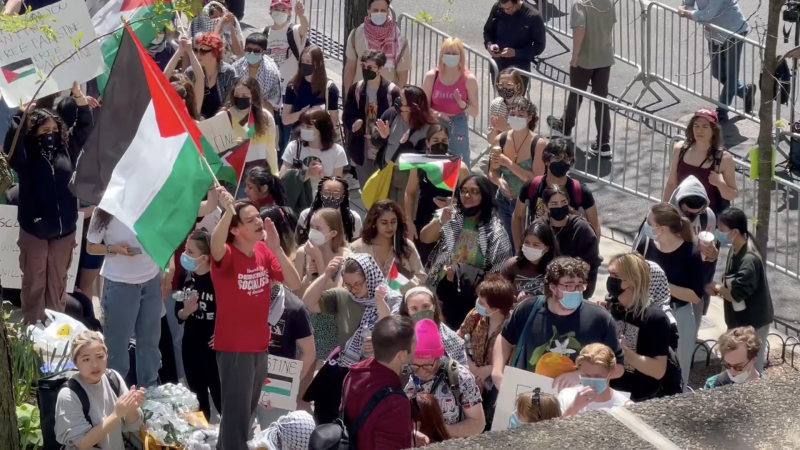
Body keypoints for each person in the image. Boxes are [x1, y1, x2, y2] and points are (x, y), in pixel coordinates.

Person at [209, 189, 301, 450]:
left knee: (243, 416)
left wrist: (277, 249)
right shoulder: (226, 254)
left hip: (260, 347)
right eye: (250, 220)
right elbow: (215, 245)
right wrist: (227, 211)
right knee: (237, 418)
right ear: (235, 229)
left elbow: (295, 283)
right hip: (235, 349)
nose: (259, 221)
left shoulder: (262, 248)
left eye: (258, 216)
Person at [4, 83, 92, 324]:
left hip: (64, 232)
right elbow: (10, 149)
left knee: (57, 283)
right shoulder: (26, 157)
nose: (50, 134)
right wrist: (21, 116)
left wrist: (80, 99)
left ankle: (56, 330)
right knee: (34, 281)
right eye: (44, 130)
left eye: (54, 129)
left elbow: (85, 127)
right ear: (34, 133)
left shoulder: (67, 150)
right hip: (35, 231)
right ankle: (33, 328)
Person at [491, 257, 623, 391]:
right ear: (552, 287)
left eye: (580, 285)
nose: (576, 291)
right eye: (569, 286)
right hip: (526, 393)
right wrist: (497, 372)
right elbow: (505, 339)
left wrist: (580, 376)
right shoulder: (529, 308)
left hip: (574, 400)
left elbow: (618, 368)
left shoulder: (600, 318)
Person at [302, 253, 400, 424]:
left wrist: (378, 342)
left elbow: (395, 332)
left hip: (377, 374)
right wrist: (326, 274)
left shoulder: (391, 297)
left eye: (358, 284)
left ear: (369, 276)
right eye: (348, 285)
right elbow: (308, 303)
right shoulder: (343, 296)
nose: (354, 290)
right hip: (346, 372)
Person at [85, 209, 162, 387]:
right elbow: (91, 247)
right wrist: (114, 249)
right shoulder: (105, 210)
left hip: (150, 281)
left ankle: (149, 390)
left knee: (149, 342)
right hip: (119, 285)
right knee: (117, 348)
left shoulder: (150, 201)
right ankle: (115, 392)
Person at [634, 202, 704, 388]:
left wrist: (661, 282)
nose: (646, 225)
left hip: (678, 316)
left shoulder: (691, 254)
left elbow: (695, 296)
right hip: (647, 313)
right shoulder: (645, 245)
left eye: (649, 222)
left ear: (662, 228)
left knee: (680, 369)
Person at [546, 0, 616, 158]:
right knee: (602, 101)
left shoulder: (580, 5)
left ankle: (566, 127)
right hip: (604, 57)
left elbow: (580, 31)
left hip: (585, 58)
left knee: (575, 95)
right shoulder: (608, 4)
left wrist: (575, 56)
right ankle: (604, 143)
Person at [706, 207, 774, 372]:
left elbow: (735, 295)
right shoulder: (736, 248)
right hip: (740, 321)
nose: (718, 233)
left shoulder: (748, 261)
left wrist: (716, 287)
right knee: (734, 367)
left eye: (721, 230)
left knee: (750, 368)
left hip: (753, 323)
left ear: (734, 232)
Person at [55, 331, 145, 450]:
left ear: (106, 355)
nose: (95, 365)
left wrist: (131, 409)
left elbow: (131, 425)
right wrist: (116, 415)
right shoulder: (69, 394)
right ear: (75, 363)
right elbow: (82, 443)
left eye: (100, 357)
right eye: (86, 359)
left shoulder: (114, 378)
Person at [606, 253, 677, 401]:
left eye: (616, 275)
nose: (611, 280)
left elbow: (658, 370)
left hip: (643, 398)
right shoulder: (612, 308)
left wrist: (625, 352)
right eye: (610, 274)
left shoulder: (655, 318)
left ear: (633, 280)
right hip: (612, 393)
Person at [421, 175, 513, 287]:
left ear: (484, 195)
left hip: (471, 293)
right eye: (463, 191)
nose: (467, 195)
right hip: (439, 286)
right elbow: (425, 238)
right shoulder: (450, 215)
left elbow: (499, 271)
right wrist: (441, 221)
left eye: (473, 191)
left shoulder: (495, 230)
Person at [342, 315, 417, 449]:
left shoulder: (353, 374)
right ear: (402, 355)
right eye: (414, 342)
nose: (417, 345)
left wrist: (407, 434)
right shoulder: (395, 402)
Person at [512, 138, 600, 247]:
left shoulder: (580, 191)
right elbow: (517, 216)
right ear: (547, 160)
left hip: (569, 254)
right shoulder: (532, 186)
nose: (562, 162)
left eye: (567, 159)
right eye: (557, 158)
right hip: (539, 251)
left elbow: (594, 226)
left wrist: (590, 255)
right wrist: (518, 248)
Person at [406, 318, 485, 438]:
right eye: (415, 366)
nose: (421, 371)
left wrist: (437, 431)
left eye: (428, 366)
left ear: (438, 357)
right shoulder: (407, 373)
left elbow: (478, 423)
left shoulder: (461, 378)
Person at [678, 1, 756, 122]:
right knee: (717, 72)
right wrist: (690, 11)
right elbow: (687, 4)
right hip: (714, 31)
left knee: (731, 76)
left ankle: (722, 110)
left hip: (734, 30)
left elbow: (706, 15)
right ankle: (745, 91)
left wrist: (687, 13)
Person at [403, 124, 470, 263]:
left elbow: (469, 199)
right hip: (424, 219)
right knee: (422, 263)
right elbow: (409, 192)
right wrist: (409, 221)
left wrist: (454, 203)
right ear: (428, 142)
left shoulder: (460, 167)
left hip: (450, 221)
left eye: (444, 141)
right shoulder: (420, 164)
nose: (440, 143)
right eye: (435, 140)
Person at [457, 274, 515, 430]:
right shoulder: (475, 316)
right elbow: (457, 340)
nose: (478, 304)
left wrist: (486, 371)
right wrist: (473, 369)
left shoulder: (513, 325)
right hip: (469, 377)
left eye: (482, 302)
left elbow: (512, 356)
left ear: (496, 308)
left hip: (496, 385)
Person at [174, 230, 221, 421]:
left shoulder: (218, 281)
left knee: (220, 396)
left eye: (190, 252)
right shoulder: (186, 277)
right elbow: (179, 314)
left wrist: (222, 333)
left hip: (214, 349)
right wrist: (186, 311)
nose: (185, 254)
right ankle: (202, 438)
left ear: (204, 258)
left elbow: (231, 312)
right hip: (191, 345)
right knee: (198, 398)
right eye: (186, 249)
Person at [489, 97, 547, 242]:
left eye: (521, 115)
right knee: (506, 244)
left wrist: (508, 163)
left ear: (529, 118)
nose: (516, 118)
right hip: (503, 200)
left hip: (526, 205)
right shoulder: (500, 140)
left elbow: (535, 179)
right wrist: (499, 181)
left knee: (523, 244)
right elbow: (492, 172)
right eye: (513, 114)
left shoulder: (538, 144)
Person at [668, 175, 718, 339]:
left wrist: (712, 255)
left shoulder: (708, 216)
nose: (691, 217)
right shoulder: (665, 217)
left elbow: (709, 252)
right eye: (687, 213)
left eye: (697, 213)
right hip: (670, 284)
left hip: (695, 285)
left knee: (690, 336)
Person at [663, 109, 738, 215]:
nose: (699, 130)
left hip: (708, 219)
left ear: (714, 130)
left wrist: (720, 184)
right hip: (681, 216)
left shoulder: (723, 158)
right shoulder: (680, 149)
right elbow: (671, 184)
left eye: (705, 126)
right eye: (696, 126)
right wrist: (663, 212)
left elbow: (732, 194)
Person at [343, 50, 402, 184]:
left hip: (384, 152)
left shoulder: (392, 92)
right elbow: (347, 115)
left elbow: (400, 119)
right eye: (363, 66)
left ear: (380, 69)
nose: (365, 70)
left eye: (370, 67)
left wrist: (387, 133)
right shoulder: (356, 89)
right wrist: (354, 124)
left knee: (383, 194)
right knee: (366, 192)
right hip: (361, 151)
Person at [372, 85, 437, 205]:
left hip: (409, 176)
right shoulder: (390, 114)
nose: (397, 101)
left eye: (401, 99)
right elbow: (374, 142)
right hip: (387, 170)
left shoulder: (427, 128)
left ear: (412, 106)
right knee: (385, 209)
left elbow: (428, 157)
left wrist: (407, 146)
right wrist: (383, 137)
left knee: (403, 213)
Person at [422, 37, 479, 168]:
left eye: (455, 53)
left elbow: (475, 112)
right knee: (436, 160)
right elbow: (423, 106)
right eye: (447, 53)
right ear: (441, 55)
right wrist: (439, 114)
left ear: (461, 56)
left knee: (460, 161)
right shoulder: (432, 76)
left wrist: (462, 104)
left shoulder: (468, 79)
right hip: (436, 122)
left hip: (458, 122)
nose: (451, 56)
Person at [351, 199, 427, 291]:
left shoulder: (406, 245)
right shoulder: (357, 247)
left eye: (393, 222)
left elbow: (421, 276)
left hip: (402, 301)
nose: (390, 227)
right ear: (374, 223)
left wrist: (402, 286)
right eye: (384, 223)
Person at [540, 185, 601, 298]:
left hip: (572, 291)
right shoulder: (539, 228)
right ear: (546, 207)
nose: (560, 207)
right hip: (543, 290)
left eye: (563, 202)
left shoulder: (582, 229)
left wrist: (583, 293)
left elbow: (592, 264)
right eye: (554, 204)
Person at [265, 0, 309, 154]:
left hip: (291, 92)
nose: (279, 12)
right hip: (271, 93)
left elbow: (304, 28)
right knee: (272, 134)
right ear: (270, 11)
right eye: (276, 8)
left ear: (289, 12)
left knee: (289, 134)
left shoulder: (293, 31)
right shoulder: (265, 33)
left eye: (283, 9)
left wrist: (301, 15)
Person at [217, 76, 279, 186]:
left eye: (245, 96)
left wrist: (275, 176)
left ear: (254, 97)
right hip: (231, 175)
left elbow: (270, 150)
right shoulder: (224, 116)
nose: (240, 98)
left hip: (257, 175)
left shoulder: (265, 117)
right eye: (237, 95)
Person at [344, 0, 411, 93]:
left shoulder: (400, 41)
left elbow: (402, 77)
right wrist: (349, 97)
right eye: (375, 10)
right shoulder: (356, 35)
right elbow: (350, 68)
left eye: (383, 10)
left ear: (388, 12)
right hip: (359, 96)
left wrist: (394, 101)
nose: (379, 13)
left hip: (386, 99)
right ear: (369, 12)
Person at [282, 45, 341, 146]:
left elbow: (334, 120)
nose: (304, 64)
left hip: (321, 140)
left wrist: (319, 116)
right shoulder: (293, 85)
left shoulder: (329, 89)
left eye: (308, 62)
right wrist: (302, 114)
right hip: (299, 139)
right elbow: (285, 119)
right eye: (303, 61)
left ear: (319, 63)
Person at [172, 34, 238, 120]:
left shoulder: (229, 72)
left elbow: (230, 102)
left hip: (220, 121)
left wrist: (215, 119)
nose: (198, 54)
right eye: (196, 50)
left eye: (203, 51)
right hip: (195, 120)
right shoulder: (191, 72)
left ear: (215, 52)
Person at [482, 0, 546, 87]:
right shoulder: (498, 7)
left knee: (516, 100)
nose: (506, 11)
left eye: (509, 8)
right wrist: (490, 45)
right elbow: (488, 31)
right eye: (503, 8)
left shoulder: (533, 16)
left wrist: (516, 53)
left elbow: (539, 46)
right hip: (498, 65)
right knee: (499, 98)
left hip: (519, 70)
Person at [280, 109, 348, 189]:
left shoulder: (337, 151)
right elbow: (282, 177)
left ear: (322, 129)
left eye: (309, 127)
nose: (304, 130)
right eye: (302, 126)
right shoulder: (294, 147)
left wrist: (323, 177)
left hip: (323, 199)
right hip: (299, 199)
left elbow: (338, 185)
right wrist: (306, 175)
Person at [400, 287, 467, 366]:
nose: (421, 312)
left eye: (425, 306)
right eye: (414, 308)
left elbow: (463, 370)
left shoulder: (451, 339)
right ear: (408, 311)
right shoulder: (400, 336)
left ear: (434, 306)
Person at [557, 344, 631, 416]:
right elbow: (556, 427)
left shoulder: (624, 406)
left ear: (611, 372)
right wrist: (574, 407)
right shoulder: (566, 396)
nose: (592, 380)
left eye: (598, 376)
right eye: (586, 375)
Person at [293, 207, 350, 297]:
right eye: (312, 227)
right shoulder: (302, 253)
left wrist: (318, 258)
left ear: (333, 233)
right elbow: (296, 295)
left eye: (318, 228)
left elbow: (335, 295)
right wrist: (307, 278)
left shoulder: (346, 256)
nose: (313, 231)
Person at [501, 220, 559, 299]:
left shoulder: (555, 270)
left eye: (536, 245)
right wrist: (516, 299)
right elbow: (500, 295)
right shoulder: (512, 265)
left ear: (547, 248)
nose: (530, 247)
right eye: (527, 242)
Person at [297, 176, 362, 243]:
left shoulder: (353, 218)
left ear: (343, 197)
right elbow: (299, 241)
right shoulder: (306, 215)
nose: (330, 197)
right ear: (320, 194)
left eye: (336, 194)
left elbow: (355, 246)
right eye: (326, 193)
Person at [232, 32, 283, 113]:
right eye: (249, 49)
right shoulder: (236, 67)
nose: (252, 53)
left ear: (264, 52)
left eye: (256, 51)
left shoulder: (272, 73)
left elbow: (274, 103)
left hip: (261, 113)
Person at [487, 68, 526, 142]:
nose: (504, 88)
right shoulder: (495, 104)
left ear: (517, 86)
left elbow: (523, 139)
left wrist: (504, 128)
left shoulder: (524, 107)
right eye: (501, 84)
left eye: (508, 84)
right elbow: (491, 140)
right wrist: (494, 128)